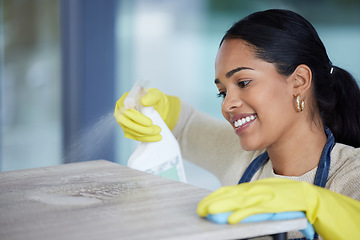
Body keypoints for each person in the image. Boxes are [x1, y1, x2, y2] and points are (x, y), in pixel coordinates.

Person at [114, 9, 360, 239]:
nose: (227, 104)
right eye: (222, 92)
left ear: (299, 81)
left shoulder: (352, 173)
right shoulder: (240, 158)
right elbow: (184, 124)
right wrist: (148, 109)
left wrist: (315, 202)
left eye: (243, 82)